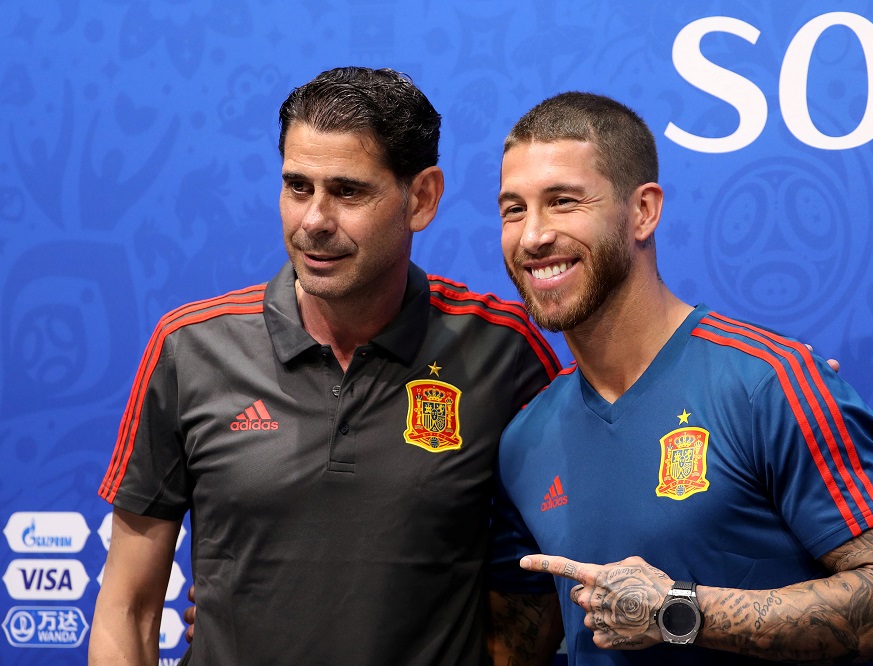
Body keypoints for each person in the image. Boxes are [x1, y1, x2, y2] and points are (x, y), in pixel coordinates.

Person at [89, 66, 565, 666]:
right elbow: (127, 607)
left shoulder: (506, 351)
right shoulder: (190, 347)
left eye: (347, 191)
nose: (314, 220)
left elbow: (541, 588)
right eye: (296, 186)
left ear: (420, 199)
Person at [488, 92, 873, 665]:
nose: (532, 236)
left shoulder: (773, 381)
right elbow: (516, 648)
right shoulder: (523, 441)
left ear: (643, 211)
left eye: (563, 202)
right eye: (513, 209)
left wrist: (677, 610)